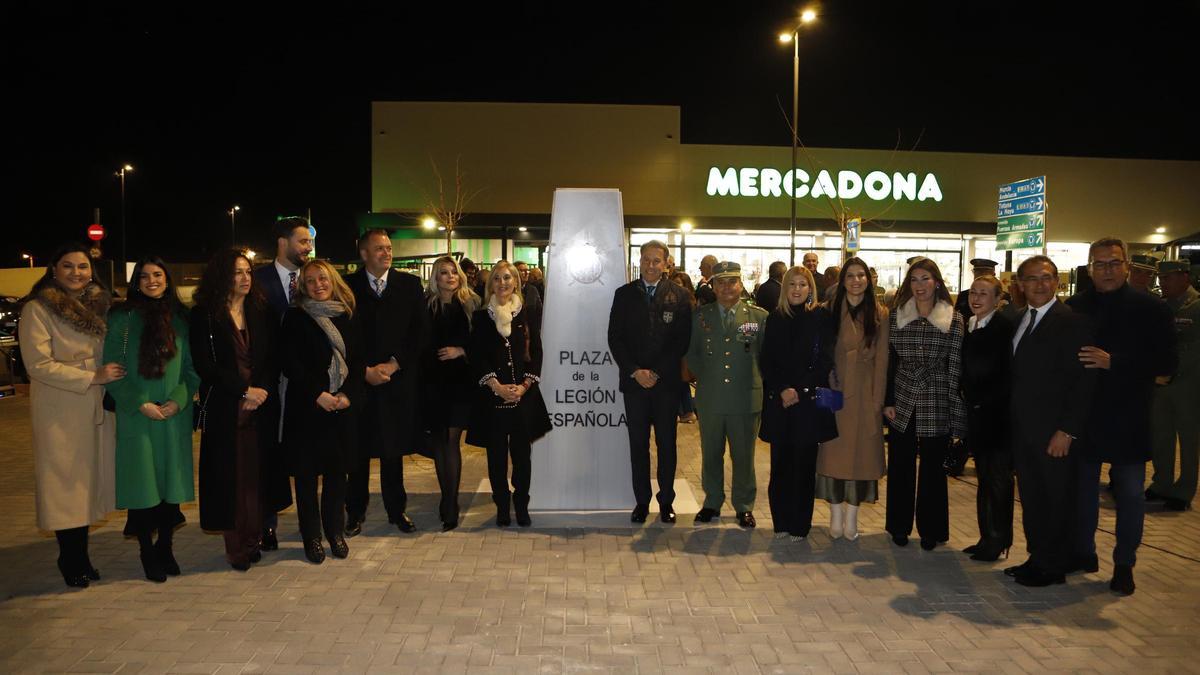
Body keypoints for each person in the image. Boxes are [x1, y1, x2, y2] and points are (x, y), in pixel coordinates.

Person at [1067, 238, 1175, 596]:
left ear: (1126, 266)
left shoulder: (1151, 309)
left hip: (1129, 418)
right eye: (1100, 264)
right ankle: (1084, 553)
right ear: (1089, 268)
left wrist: (1116, 362)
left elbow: (1167, 366)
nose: (1107, 270)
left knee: (1129, 496)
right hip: (1084, 419)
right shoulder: (1074, 307)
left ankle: (1124, 563)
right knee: (1081, 495)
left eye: (1113, 263)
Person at [19, 243, 123, 588]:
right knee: (65, 485)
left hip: (96, 405)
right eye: (68, 266)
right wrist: (91, 375)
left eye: (82, 267)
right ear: (53, 270)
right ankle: (71, 558)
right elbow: (38, 364)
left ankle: (80, 555)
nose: (76, 273)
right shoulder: (38, 309)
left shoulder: (101, 306)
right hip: (61, 409)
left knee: (87, 484)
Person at [103, 256, 200, 582]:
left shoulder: (181, 319)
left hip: (174, 416)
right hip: (138, 416)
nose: (151, 281)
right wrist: (139, 403)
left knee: (170, 488)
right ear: (136, 282)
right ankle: (147, 550)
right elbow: (113, 369)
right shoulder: (123, 317)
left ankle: (167, 547)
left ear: (167, 278)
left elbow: (191, 370)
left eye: (157, 274)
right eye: (143, 276)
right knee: (142, 488)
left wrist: (178, 400)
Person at [1005, 255, 1096, 587]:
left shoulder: (1072, 322)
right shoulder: (1019, 319)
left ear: (1056, 281)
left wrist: (1068, 430)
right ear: (1020, 285)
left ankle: (1054, 565)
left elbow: (1082, 383)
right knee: (1032, 497)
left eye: (1046, 278)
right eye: (1031, 279)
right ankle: (1038, 557)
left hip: (1054, 432)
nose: (1039, 285)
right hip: (1024, 430)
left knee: (1056, 498)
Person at [190, 249, 281, 571]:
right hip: (226, 409)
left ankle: (254, 539)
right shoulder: (204, 315)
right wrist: (243, 391)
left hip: (261, 407)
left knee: (257, 478)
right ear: (221, 277)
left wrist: (262, 391)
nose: (244, 278)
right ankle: (236, 547)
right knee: (231, 479)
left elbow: (272, 358)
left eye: (247, 272)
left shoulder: (261, 309)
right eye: (237, 273)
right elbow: (205, 365)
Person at [342, 230, 427, 535]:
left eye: (389, 248)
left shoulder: (409, 285)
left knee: (393, 450)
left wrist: (393, 364)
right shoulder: (347, 287)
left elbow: (420, 332)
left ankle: (396, 510)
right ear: (363, 253)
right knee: (358, 451)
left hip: (396, 381)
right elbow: (341, 336)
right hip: (360, 381)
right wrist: (363, 370)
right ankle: (354, 512)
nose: (386, 253)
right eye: (379, 249)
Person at [281, 259, 364, 563]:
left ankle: (335, 532)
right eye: (311, 280)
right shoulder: (295, 318)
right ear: (303, 286)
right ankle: (311, 537)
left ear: (333, 282)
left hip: (341, 409)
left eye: (323, 279)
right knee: (305, 479)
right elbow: (290, 363)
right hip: (307, 409)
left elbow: (358, 362)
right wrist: (318, 395)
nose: (318, 285)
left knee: (336, 477)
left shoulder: (348, 316)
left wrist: (347, 396)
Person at [883, 257, 966, 551]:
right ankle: (898, 526)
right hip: (902, 395)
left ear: (937, 283)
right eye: (914, 280)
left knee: (932, 467)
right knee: (900, 463)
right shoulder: (896, 316)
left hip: (936, 394)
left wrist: (955, 412)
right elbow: (889, 362)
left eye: (925, 279)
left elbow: (955, 364)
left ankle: (931, 529)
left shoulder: (953, 318)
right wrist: (887, 400)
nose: (920, 286)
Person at [607, 240, 692, 524]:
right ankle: (641, 502)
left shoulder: (679, 295)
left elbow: (681, 340)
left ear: (667, 264)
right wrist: (635, 371)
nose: (651, 265)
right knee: (638, 445)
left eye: (657, 260)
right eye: (646, 260)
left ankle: (666, 501)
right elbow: (614, 338)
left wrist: (655, 371)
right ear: (639, 261)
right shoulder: (624, 294)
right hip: (634, 385)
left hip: (665, 384)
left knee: (667, 445)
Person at [466, 260, 552, 527]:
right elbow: (478, 357)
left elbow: (536, 355)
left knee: (522, 457)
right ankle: (502, 505)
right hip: (493, 399)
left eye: (507, 278)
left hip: (522, 399)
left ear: (516, 281)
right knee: (496, 458)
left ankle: (521, 504)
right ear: (490, 284)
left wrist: (524, 387)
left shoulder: (527, 315)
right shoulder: (481, 318)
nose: (502, 283)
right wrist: (497, 387)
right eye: (497, 279)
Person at [686, 261, 768, 528]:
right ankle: (712, 502)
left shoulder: (758, 317)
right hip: (711, 398)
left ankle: (744, 505)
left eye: (732, 281)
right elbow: (691, 354)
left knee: (743, 456)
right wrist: (706, 379)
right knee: (711, 453)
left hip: (745, 398)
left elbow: (766, 358)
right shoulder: (701, 317)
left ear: (740, 284)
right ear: (713, 286)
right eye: (720, 282)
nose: (726, 287)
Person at [758, 265, 836, 540]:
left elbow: (825, 360)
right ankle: (781, 523)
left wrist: (799, 390)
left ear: (811, 289)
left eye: (803, 285)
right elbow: (766, 360)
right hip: (781, 402)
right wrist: (782, 389)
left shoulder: (820, 318)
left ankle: (800, 526)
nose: (797, 290)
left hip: (806, 404)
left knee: (803, 468)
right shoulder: (775, 318)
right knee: (780, 467)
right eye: (792, 285)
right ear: (784, 288)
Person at [816, 258, 889, 540]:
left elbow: (882, 362)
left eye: (861, 276)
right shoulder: (829, 311)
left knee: (862, 458)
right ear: (842, 280)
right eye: (850, 276)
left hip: (865, 393)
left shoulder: (880, 313)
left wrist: (877, 402)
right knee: (832, 454)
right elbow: (821, 353)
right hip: (835, 392)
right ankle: (835, 512)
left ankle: (853, 515)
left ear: (868, 280)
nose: (856, 281)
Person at [251, 216, 312, 551]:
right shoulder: (257, 281)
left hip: (308, 381)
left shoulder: (317, 279)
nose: (308, 248)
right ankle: (267, 523)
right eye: (303, 241)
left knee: (306, 453)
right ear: (283, 242)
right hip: (270, 383)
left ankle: (311, 523)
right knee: (268, 454)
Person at [959, 275, 1016, 562]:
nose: (976, 298)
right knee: (985, 478)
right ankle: (987, 536)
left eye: (984, 294)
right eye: (973, 292)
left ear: (997, 299)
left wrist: (985, 402)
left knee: (998, 481)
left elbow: (1004, 375)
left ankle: (999, 539)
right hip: (979, 415)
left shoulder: (1003, 328)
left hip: (998, 417)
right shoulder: (972, 324)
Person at [423, 256, 481, 531]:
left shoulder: (472, 303)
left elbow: (485, 341)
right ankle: (447, 498)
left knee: (451, 439)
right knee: (438, 441)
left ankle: (450, 503)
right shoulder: (425, 305)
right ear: (435, 278)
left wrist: (463, 350)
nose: (449, 277)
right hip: (432, 382)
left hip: (460, 382)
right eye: (443, 273)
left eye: (453, 272)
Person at [1148, 260, 1200, 511]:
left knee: (1188, 441)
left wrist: (1173, 372)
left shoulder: (1197, 306)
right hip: (1161, 383)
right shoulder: (1161, 306)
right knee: (1161, 436)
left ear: (1184, 277)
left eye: (1167, 278)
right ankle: (1161, 483)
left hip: (1188, 385)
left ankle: (1184, 490)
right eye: (1161, 278)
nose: (1162, 283)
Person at [671, 271, 699, 423]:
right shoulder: (670, 301)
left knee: (681, 380)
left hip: (684, 349)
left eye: (679, 284)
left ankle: (686, 411)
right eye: (673, 284)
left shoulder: (688, 304)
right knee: (680, 381)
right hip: (675, 349)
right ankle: (685, 411)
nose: (676, 287)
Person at [955, 258, 1002, 322]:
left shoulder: (1001, 296)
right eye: (977, 272)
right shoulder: (964, 295)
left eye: (984, 273)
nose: (980, 276)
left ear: (993, 275)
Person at [515, 261, 543, 328]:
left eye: (527, 270)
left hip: (531, 330)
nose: (526, 273)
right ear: (514, 273)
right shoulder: (509, 290)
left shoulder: (532, 289)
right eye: (522, 270)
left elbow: (539, 311)